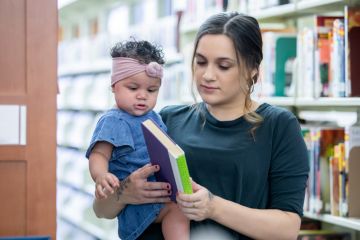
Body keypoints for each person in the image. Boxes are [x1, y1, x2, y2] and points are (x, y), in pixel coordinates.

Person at [93, 12, 309, 240]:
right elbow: (101, 210)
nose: (207, 75)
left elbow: (287, 229)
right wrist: (124, 193)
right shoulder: (164, 120)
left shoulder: (279, 126)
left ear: (253, 69)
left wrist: (213, 207)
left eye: (224, 66)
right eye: (201, 62)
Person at [85, 39, 189, 240]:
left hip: (158, 189)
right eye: (133, 88)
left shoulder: (154, 116)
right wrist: (101, 176)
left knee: (185, 203)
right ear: (114, 86)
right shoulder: (112, 121)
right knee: (179, 210)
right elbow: (99, 154)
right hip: (138, 202)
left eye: (151, 90)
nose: (143, 96)